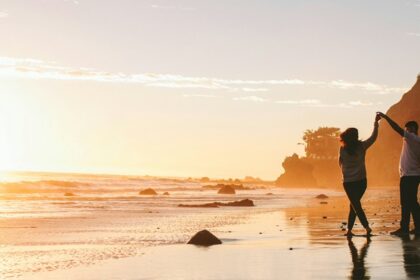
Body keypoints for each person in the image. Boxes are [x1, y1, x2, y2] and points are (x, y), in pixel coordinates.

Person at [377, 112, 420, 236]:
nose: (405, 131)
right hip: (412, 175)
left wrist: (385, 117)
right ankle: (410, 227)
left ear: (412, 129)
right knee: (410, 202)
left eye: (407, 129)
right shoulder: (416, 141)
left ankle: (407, 228)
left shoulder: (412, 138)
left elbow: (396, 128)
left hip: (409, 176)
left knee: (408, 202)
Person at [339, 114, 380, 236]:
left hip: (348, 182)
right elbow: (374, 137)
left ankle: (366, 228)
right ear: (354, 136)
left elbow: (340, 162)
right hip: (361, 181)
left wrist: (345, 173)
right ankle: (351, 230)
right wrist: (376, 124)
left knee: (355, 205)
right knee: (355, 205)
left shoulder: (343, 148)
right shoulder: (361, 146)